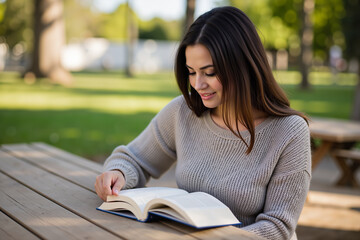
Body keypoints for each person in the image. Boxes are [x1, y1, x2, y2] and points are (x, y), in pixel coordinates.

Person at [95, 6, 311, 240]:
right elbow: (133, 158)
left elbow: (278, 227)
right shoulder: (183, 112)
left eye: (209, 73)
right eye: (191, 71)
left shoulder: (289, 131)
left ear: (243, 66)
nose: (198, 85)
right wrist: (118, 173)